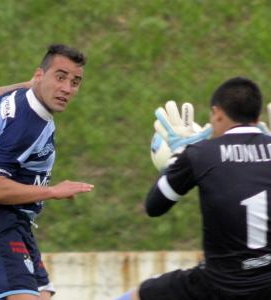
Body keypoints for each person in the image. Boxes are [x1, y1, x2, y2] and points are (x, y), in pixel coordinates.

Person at [116, 77, 271, 300]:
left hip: (216, 286)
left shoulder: (200, 153)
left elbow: (154, 206)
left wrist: (179, 154)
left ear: (217, 113)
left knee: (138, 295)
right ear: (257, 118)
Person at [0, 44, 94, 300]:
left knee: (43, 294)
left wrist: (31, 84)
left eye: (75, 81)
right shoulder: (26, 124)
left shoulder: (21, 98)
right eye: (60, 77)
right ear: (40, 75)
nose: (67, 89)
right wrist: (52, 191)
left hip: (16, 222)